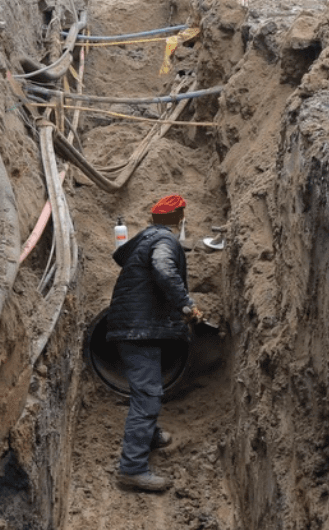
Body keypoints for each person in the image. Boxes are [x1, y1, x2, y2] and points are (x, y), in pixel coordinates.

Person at [107, 194, 203, 493]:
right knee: (147, 394)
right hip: (138, 329)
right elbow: (162, 267)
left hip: (135, 326)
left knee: (149, 387)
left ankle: (147, 436)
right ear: (175, 219)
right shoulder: (164, 241)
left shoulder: (145, 239)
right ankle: (132, 469)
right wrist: (187, 304)